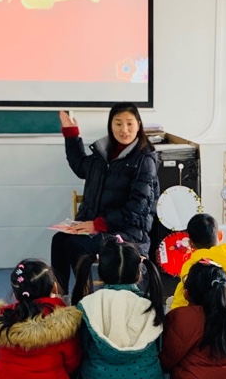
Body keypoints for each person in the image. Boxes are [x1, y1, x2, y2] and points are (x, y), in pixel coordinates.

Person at [52, 104, 160, 298]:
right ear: (111, 125)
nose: (124, 129)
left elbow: (137, 209)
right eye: (118, 123)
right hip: (100, 226)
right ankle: (59, 297)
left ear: (139, 125)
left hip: (128, 231)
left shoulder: (144, 159)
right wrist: (71, 134)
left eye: (129, 123)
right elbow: (81, 167)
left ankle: (84, 300)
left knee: (76, 245)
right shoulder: (104, 152)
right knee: (59, 240)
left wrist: (98, 224)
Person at [74, 236, 167, 379]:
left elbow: (82, 349)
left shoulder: (88, 304)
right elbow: (159, 348)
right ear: (139, 272)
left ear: (100, 273)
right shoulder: (151, 304)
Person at [0, 259, 82, 379]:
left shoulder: (2, 320)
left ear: (15, 293)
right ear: (54, 287)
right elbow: (73, 363)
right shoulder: (64, 323)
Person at [170, 214, 226, 309]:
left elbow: (185, 299)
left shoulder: (190, 267)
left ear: (191, 244)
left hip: (201, 313)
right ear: (220, 235)